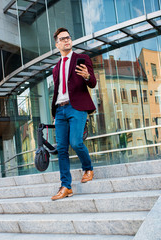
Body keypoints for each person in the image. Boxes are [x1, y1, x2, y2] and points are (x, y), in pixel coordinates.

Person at [50, 27, 97, 201]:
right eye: (62, 39)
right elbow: (56, 90)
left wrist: (86, 76)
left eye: (68, 38)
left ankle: (88, 167)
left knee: (76, 142)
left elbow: (92, 83)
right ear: (57, 44)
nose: (66, 41)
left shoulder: (82, 59)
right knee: (61, 149)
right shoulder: (55, 68)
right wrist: (54, 112)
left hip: (76, 106)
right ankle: (66, 186)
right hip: (60, 109)